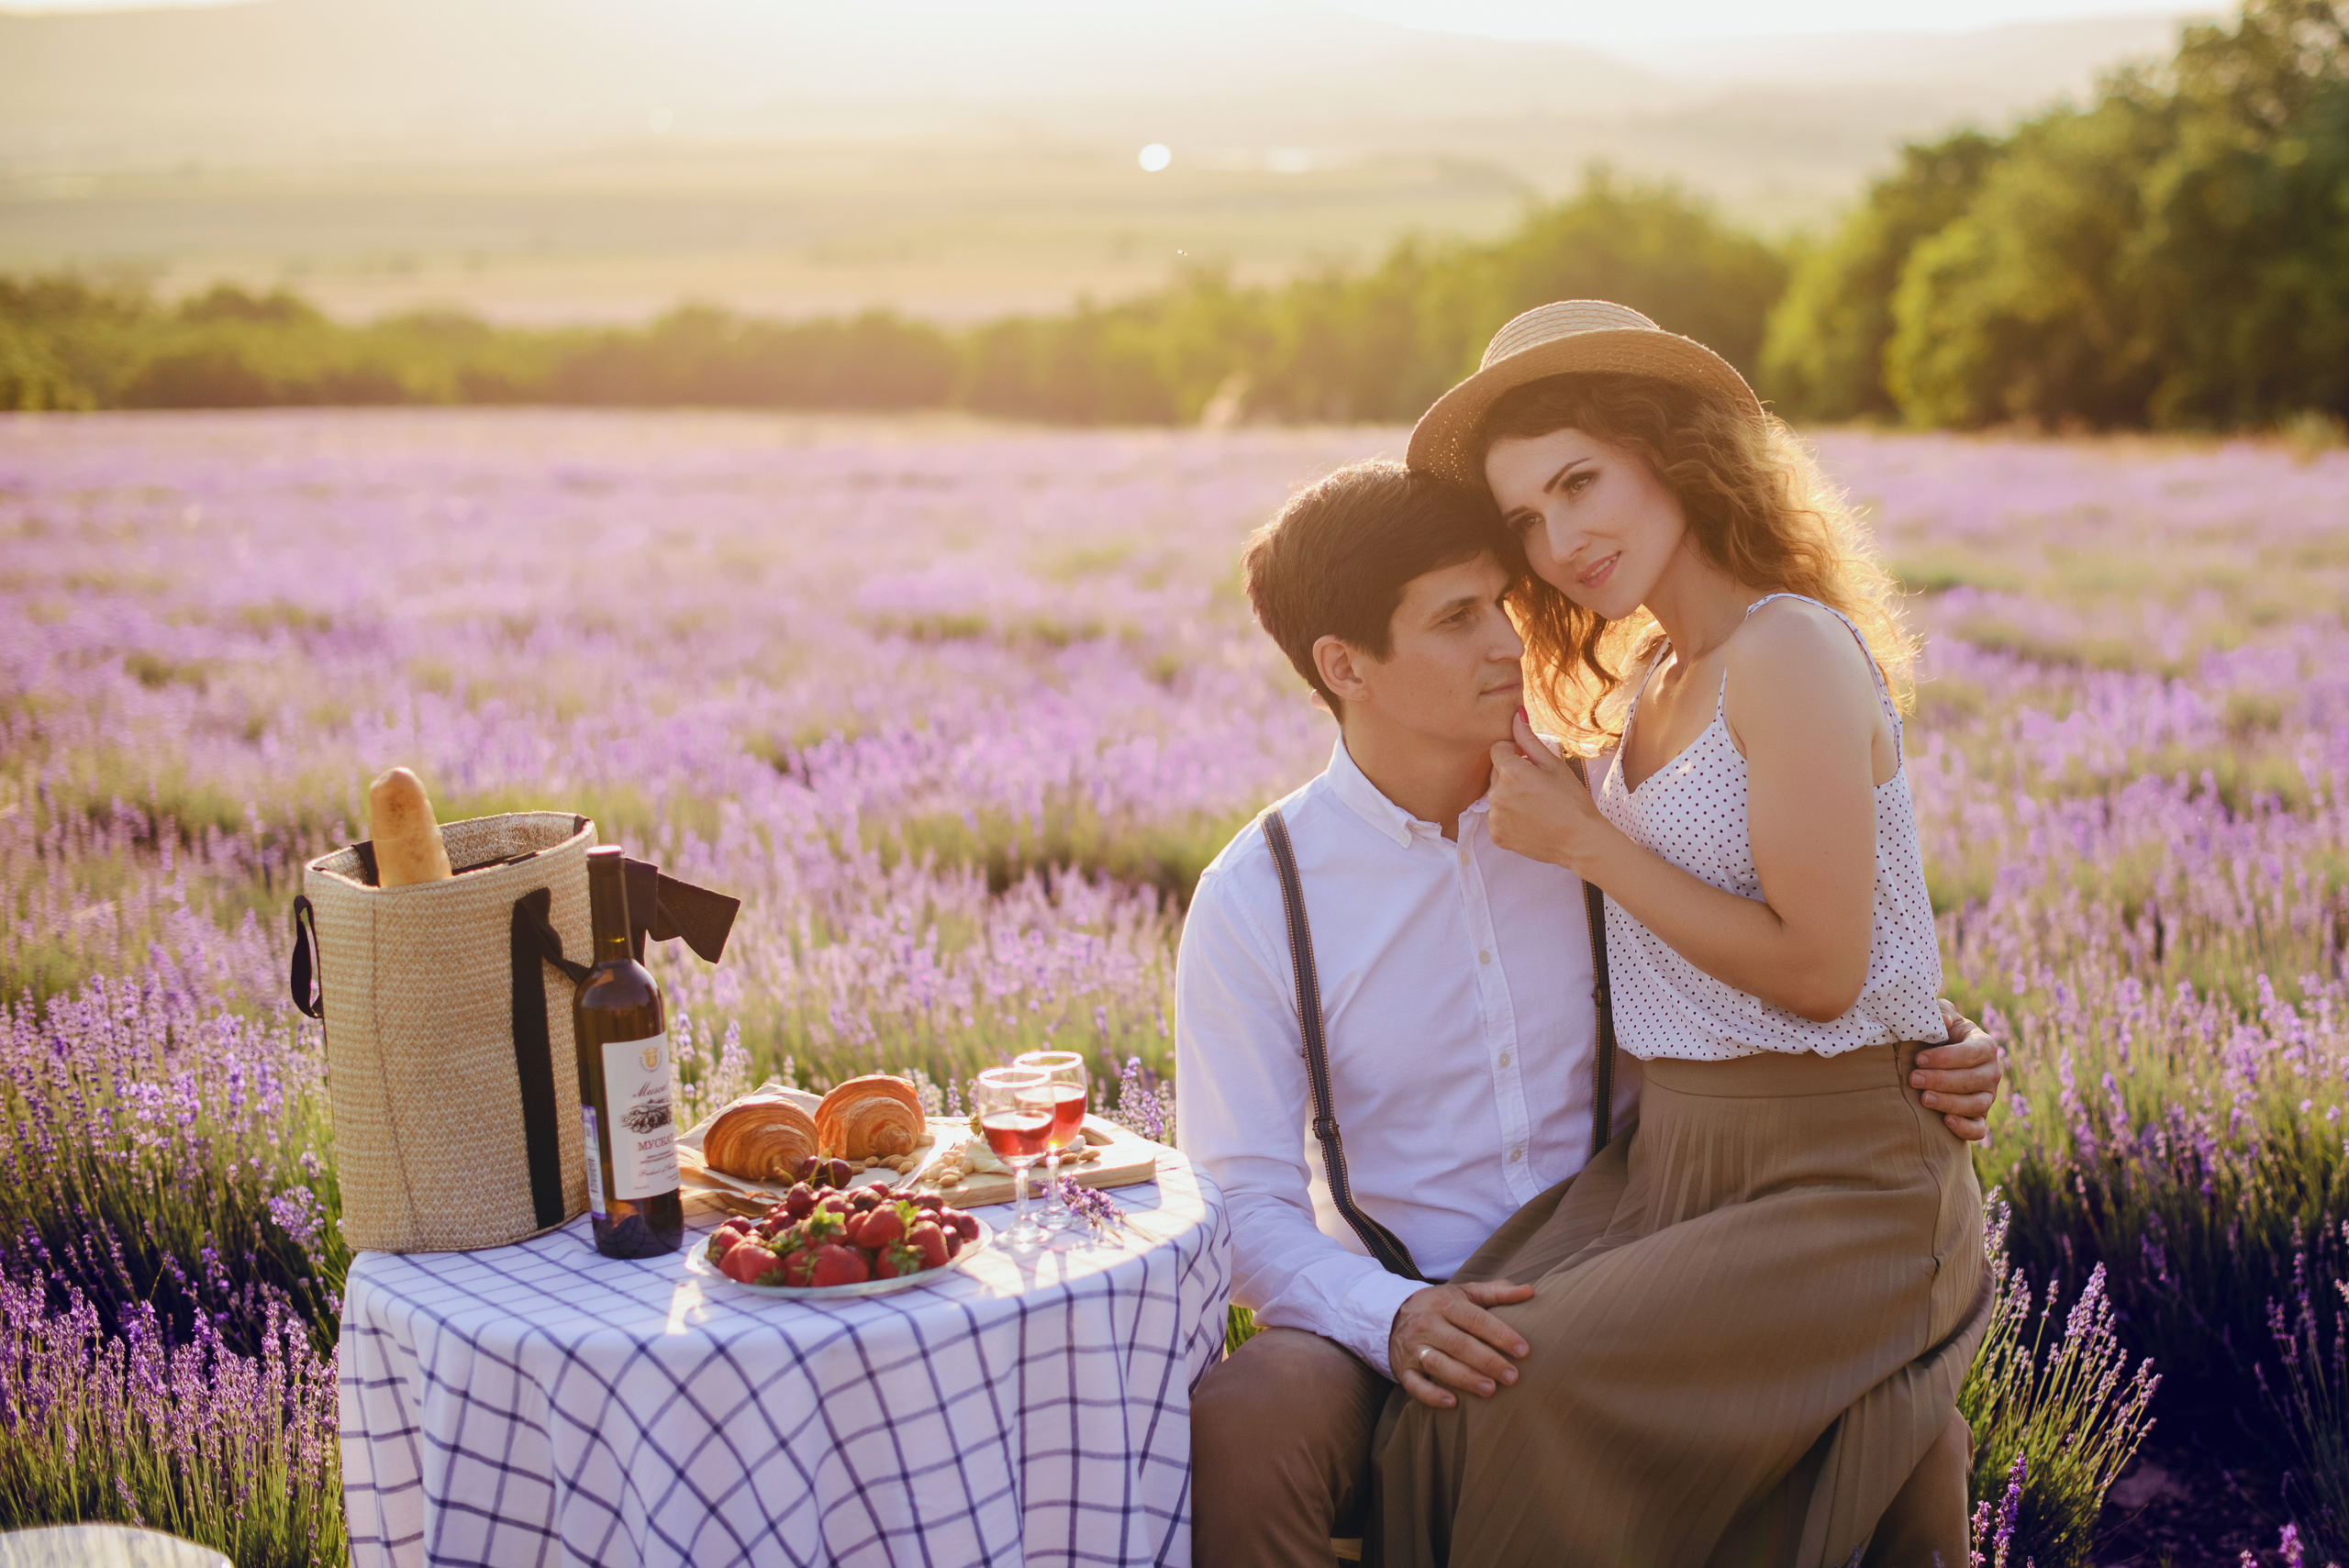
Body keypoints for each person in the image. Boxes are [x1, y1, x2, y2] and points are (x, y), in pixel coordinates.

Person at [1176, 450, 2001, 1567]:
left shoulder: (1594, 813)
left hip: (1636, 1251)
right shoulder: (1257, 895)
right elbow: (1243, 1200)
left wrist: (1937, 1038)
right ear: (1344, 664)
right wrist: (1390, 1314)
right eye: (1457, 617)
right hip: (1398, 1290)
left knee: (1548, 1384)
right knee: (1250, 1406)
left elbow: (1784, 953)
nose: (1509, 642)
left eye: (1504, 604)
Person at [1363, 299, 1992, 1567]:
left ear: (1672, 449)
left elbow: (1821, 971)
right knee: (1446, 1391)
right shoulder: (1649, 679)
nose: (1560, 540)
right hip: (1675, 1164)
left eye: (1580, 480)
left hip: (1839, 1183)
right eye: (1527, 520)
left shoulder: (1790, 648)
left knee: (1523, 1389)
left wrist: (1590, 844)